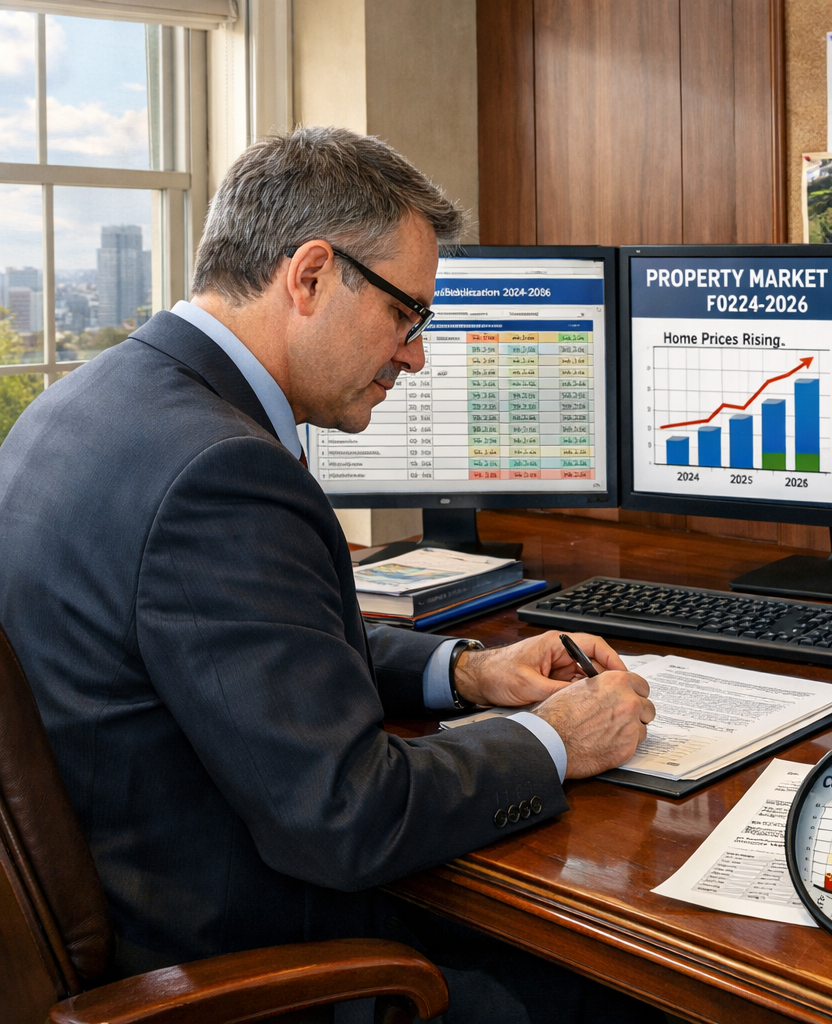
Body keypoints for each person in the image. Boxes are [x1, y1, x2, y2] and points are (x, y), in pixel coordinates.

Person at [0, 127, 659, 1021]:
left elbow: (248, 644)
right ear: (309, 277)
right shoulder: (221, 469)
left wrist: (462, 671)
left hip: (140, 900)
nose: (416, 355)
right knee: (625, 991)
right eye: (406, 314)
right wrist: (557, 742)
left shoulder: (89, 400)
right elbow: (348, 816)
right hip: (241, 963)